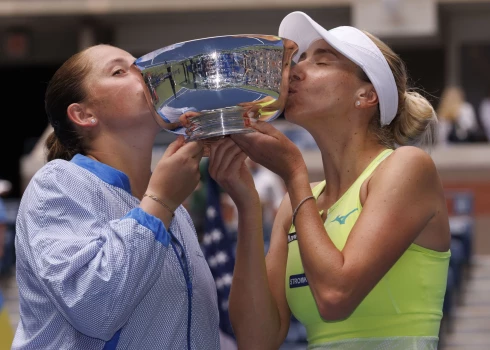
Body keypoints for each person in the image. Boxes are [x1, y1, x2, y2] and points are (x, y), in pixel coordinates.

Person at [206, 11, 451, 349]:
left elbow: (336, 295)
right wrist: (247, 203)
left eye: (321, 62)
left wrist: (293, 171)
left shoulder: (408, 167)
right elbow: (255, 340)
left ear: (366, 95)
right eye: (299, 60)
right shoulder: (296, 203)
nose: (295, 70)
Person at [12, 44, 219, 350]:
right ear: (84, 114)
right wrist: (160, 202)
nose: (143, 74)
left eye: (140, 66)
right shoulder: (58, 182)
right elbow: (95, 308)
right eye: (120, 71)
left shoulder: (173, 211)